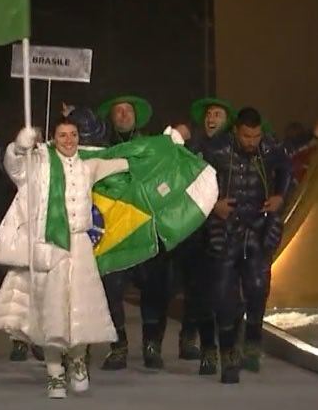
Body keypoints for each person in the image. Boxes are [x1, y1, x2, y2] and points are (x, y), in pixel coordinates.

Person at [0, 119, 126, 398]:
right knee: (51, 310)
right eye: (62, 135)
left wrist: (164, 146)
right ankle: (54, 372)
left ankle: (78, 360)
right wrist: (19, 147)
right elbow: (15, 167)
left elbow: (124, 161)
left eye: (73, 134)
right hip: (51, 243)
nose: (69, 140)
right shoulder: (40, 162)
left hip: (80, 245)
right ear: (54, 138)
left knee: (80, 307)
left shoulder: (88, 164)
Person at [201, 107, 291, 383]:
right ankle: (228, 355)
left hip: (258, 227)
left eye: (256, 136)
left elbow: (286, 168)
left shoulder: (270, 147)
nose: (252, 141)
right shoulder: (216, 149)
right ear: (236, 131)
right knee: (223, 295)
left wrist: (280, 196)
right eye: (246, 136)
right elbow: (194, 180)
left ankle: (252, 339)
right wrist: (213, 204)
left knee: (257, 287)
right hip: (225, 229)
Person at [94, 94, 171, 370]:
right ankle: (119, 347)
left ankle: (152, 345)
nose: (124, 115)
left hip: (148, 231)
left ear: (137, 116)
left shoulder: (153, 148)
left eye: (128, 110)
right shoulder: (101, 151)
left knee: (155, 290)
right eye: (119, 111)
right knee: (111, 290)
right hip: (115, 235)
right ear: (111, 117)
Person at [174, 97, 235, 365]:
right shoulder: (193, 147)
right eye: (209, 113)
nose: (212, 118)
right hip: (194, 227)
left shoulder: (234, 149)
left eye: (218, 114)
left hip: (224, 229)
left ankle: (222, 345)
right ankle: (192, 337)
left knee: (219, 288)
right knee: (195, 287)